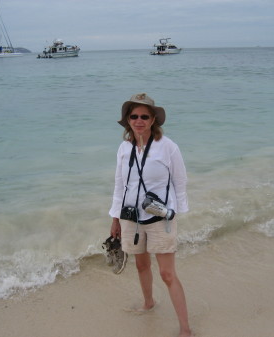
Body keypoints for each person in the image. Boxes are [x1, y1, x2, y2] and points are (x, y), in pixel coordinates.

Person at [109, 93, 192, 337]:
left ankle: (185, 329)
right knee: (141, 264)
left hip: (160, 218)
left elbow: (180, 181)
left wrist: (177, 214)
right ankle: (148, 302)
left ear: (153, 119)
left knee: (167, 274)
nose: (139, 120)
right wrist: (115, 217)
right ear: (127, 120)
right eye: (134, 116)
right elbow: (119, 185)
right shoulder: (124, 148)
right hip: (131, 217)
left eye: (144, 116)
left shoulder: (168, 147)